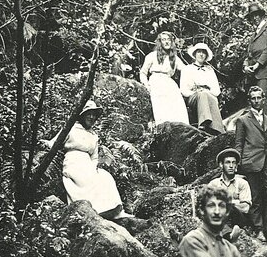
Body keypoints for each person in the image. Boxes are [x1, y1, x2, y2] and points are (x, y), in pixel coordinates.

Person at [56, 100, 142, 229]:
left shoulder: (93, 135)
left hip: (87, 164)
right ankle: (93, 209)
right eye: (88, 114)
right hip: (73, 162)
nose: (91, 117)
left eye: (93, 115)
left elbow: (94, 157)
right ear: (82, 115)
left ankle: (110, 209)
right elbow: (54, 143)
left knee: (105, 176)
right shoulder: (71, 129)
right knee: (86, 177)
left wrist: (93, 167)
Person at [235, 86, 267, 244]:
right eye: (253, 98)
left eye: (259, 98)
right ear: (250, 101)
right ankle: (259, 229)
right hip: (252, 161)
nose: (256, 101)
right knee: (255, 196)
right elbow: (239, 144)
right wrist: (238, 164)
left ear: (264, 99)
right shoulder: (243, 120)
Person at [139, 31, 189, 125]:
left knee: (178, 105)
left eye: (168, 40)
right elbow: (143, 72)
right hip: (156, 81)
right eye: (164, 40)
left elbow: (186, 70)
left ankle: (181, 128)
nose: (166, 42)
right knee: (161, 107)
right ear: (160, 42)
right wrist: (146, 85)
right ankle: (164, 127)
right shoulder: (152, 55)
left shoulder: (174, 58)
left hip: (169, 83)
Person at [243, 3, 267, 116]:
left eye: (257, 15)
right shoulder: (253, 36)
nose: (255, 18)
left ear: (262, 15)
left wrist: (258, 64)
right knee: (253, 105)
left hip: (265, 72)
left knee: (262, 102)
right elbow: (248, 55)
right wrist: (245, 67)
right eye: (252, 16)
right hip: (253, 75)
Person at [205, 148, 252, 241]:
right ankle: (229, 235)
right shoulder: (213, 184)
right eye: (227, 162)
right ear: (221, 165)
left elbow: (245, 208)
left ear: (236, 166)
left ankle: (228, 232)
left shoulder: (242, 183)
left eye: (234, 163)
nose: (231, 166)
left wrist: (228, 204)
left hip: (237, 218)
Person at [180, 42, 224, 134]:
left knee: (209, 96)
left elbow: (216, 90)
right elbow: (184, 89)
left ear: (206, 55)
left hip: (208, 94)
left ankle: (218, 129)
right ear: (195, 54)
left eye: (203, 52)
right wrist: (196, 92)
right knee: (202, 94)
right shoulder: (187, 69)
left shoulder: (209, 70)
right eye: (199, 52)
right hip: (193, 97)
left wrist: (207, 92)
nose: (201, 54)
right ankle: (204, 123)